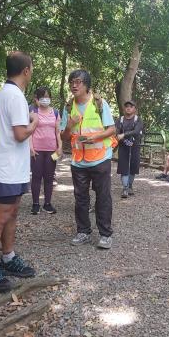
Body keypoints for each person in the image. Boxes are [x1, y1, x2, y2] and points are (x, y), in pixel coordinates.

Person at [0, 51, 38, 292]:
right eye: (31, 68)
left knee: (12, 213)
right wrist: (35, 121)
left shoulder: (6, 94)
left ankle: (8, 256)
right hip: (7, 169)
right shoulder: (14, 97)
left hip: (14, 167)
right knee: (1, 215)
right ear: (26, 70)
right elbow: (20, 133)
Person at [60, 70, 116, 249]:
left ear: (86, 85)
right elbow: (64, 136)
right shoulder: (69, 107)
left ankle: (105, 234)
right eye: (71, 82)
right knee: (80, 198)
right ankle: (83, 231)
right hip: (78, 161)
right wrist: (69, 125)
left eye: (78, 82)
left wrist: (96, 138)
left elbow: (111, 129)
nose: (74, 85)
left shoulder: (99, 103)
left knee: (103, 197)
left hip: (100, 159)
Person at [29, 86, 62, 215]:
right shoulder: (32, 111)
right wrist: (31, 148)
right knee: (36, 177)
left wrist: (59, 146)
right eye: (42, 97)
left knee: (49, 177)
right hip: (37, 149)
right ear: (36, 98)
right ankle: (35, 204)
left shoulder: (55, 112)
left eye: (47, 96)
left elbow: (58, 131)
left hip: (51, 150)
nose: (45, 99)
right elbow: (29, 131)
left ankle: (47, 204)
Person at [116, 100, 143, 198]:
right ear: (124, 108)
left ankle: (130, 185)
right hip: (123, 146)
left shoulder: (138, 119)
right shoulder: (120, 119)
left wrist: (124, 134)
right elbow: (116, 132)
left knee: (133, 167)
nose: (128, 108)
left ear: (134, 109)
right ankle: (125, 188)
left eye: (131, 106)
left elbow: (136, 131)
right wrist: (121, 137)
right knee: (124, 167)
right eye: (126, 106)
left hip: (135, 146)